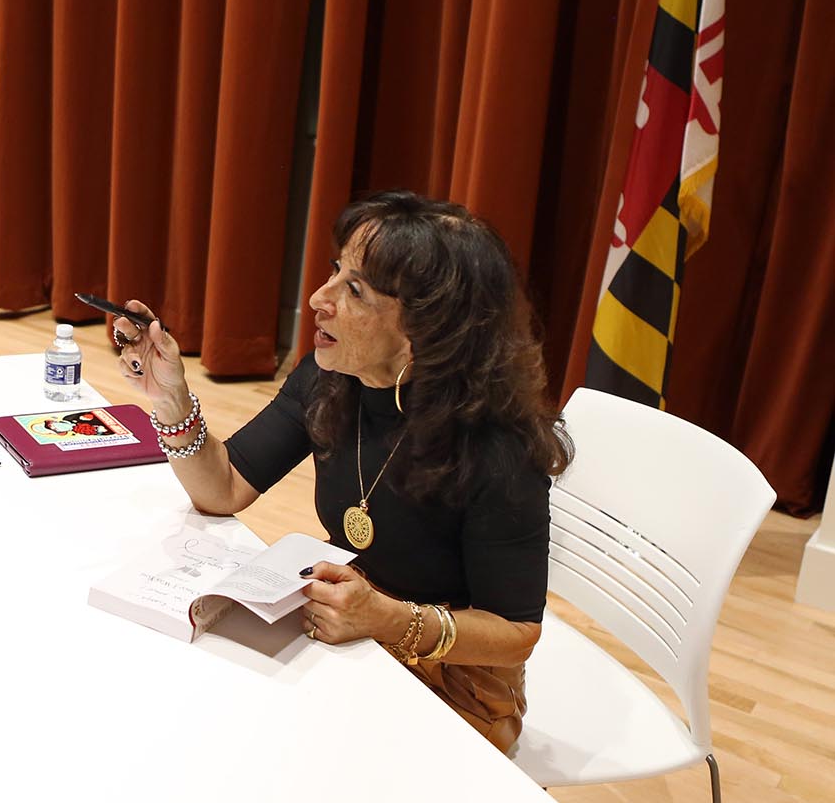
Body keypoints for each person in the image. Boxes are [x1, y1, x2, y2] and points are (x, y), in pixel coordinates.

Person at [113, 190, 573, 752]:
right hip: (340, 624)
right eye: (336, 271)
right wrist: (171, 401)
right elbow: (225, 488)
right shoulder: (332, 379)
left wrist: (384, 619)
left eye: (353, 290)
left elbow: (516, 634)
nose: (316, 298)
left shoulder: (498, 449)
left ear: (428, 326)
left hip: (451, 681)